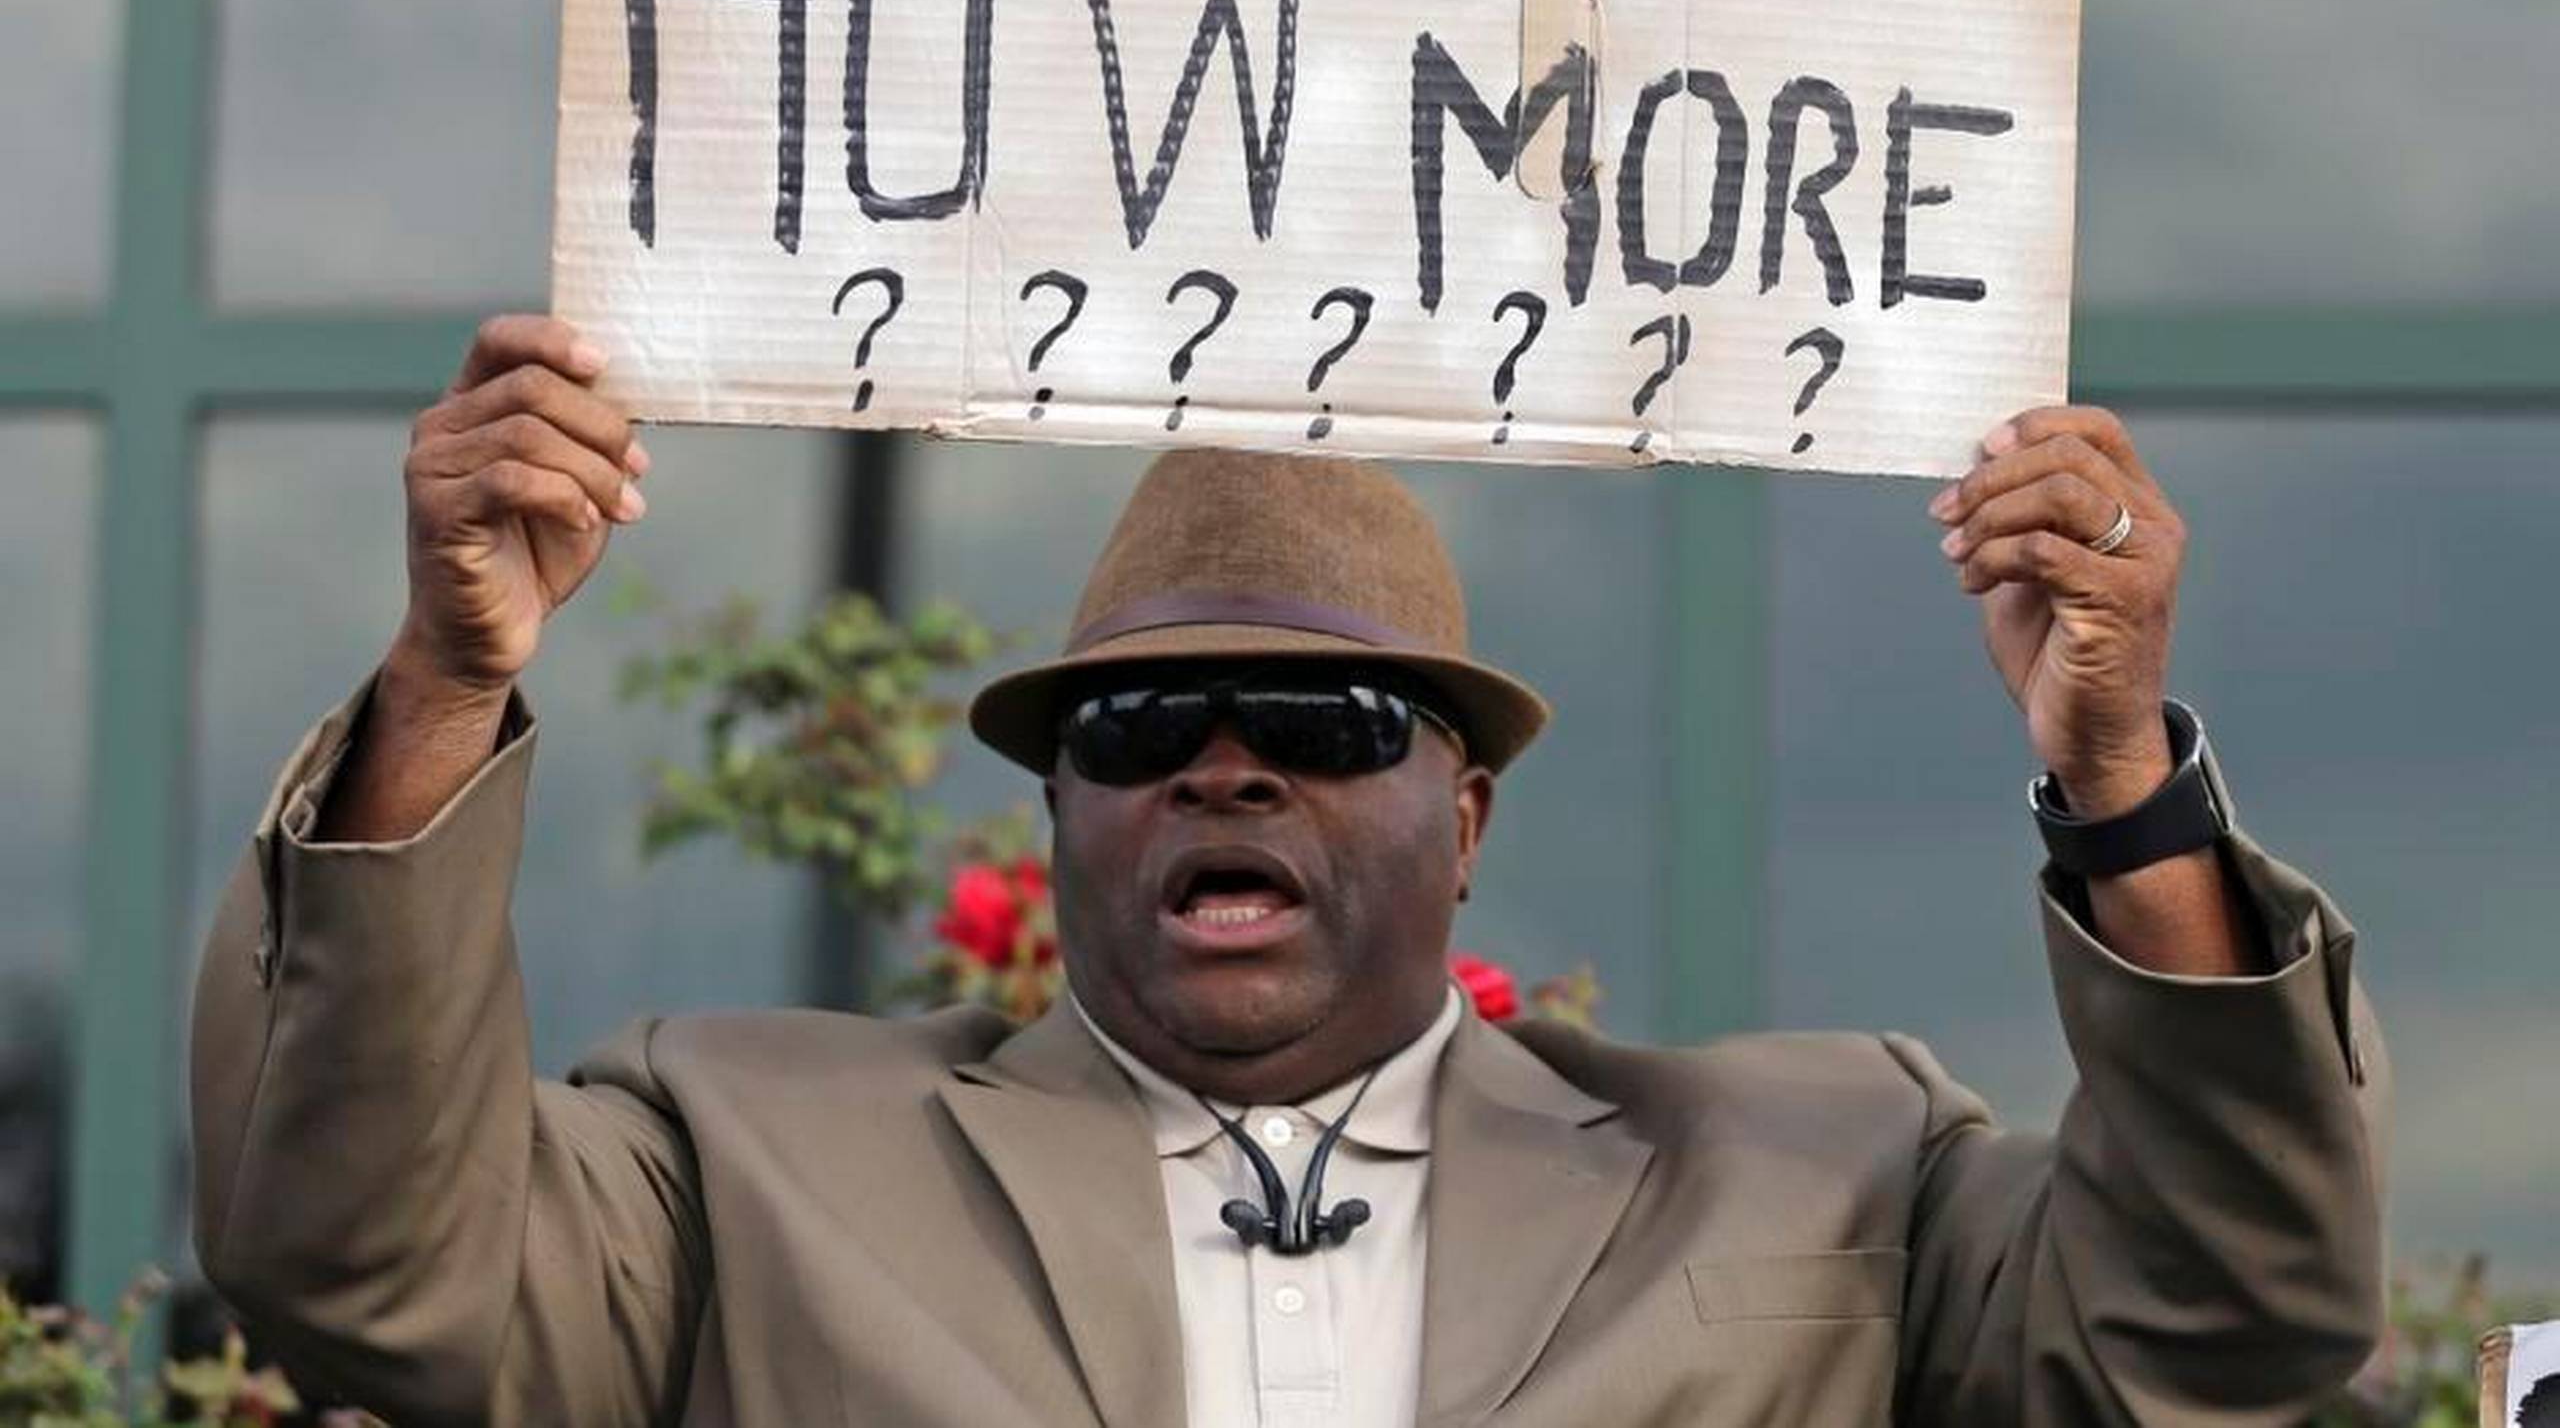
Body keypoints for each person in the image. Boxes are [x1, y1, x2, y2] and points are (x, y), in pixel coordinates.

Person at [191, 315, 2387, 1427]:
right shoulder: (736, 1150)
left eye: (1324, 724)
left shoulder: (1828, 1167)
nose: (1223, 768)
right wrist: (449, 677)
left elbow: (2230, 1314)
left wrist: (2116, 774)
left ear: (1466, 815)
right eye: (1139, 727)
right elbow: (367, 1266)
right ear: (1058, 817)